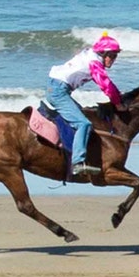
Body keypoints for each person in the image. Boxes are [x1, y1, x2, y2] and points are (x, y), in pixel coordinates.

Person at [43, 34, 123, 180]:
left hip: (57, 87)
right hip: (58, 91)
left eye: (115, 56)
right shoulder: (95, 63)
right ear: (103, 53)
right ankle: (77, 163)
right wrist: (118, 101)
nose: (113, 59)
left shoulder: (90, 54)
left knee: (82, 117)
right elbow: (105, 85)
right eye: (111, 55)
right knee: (83, 123)